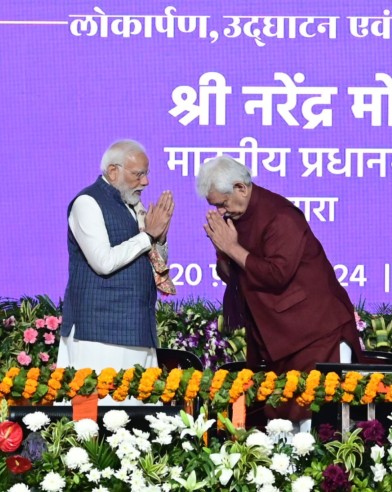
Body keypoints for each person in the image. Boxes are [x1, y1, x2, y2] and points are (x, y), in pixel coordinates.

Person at [196, 155, 362, 431]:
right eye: (216, 207)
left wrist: (233, 248)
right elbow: (233, 277)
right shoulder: (236, 218)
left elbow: (277, 274)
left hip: (315, 332)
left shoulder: (281, 216)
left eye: (223, 204)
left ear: (241, 187)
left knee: (313, 425)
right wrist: (223, 251)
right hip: (278, 338)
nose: (222, 211)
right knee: (280, 427)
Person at [57, 139, 175, 404]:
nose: (146, 182)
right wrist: (148, 236)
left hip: (137, 327)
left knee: (142, 423)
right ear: (113, 172)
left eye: (146, 174)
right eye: (138, 174)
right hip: (99, 332)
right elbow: (103, 261)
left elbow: (153, 261)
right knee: (99, 420)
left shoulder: (131, 204)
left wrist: (160, 239)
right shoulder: (87, 203)